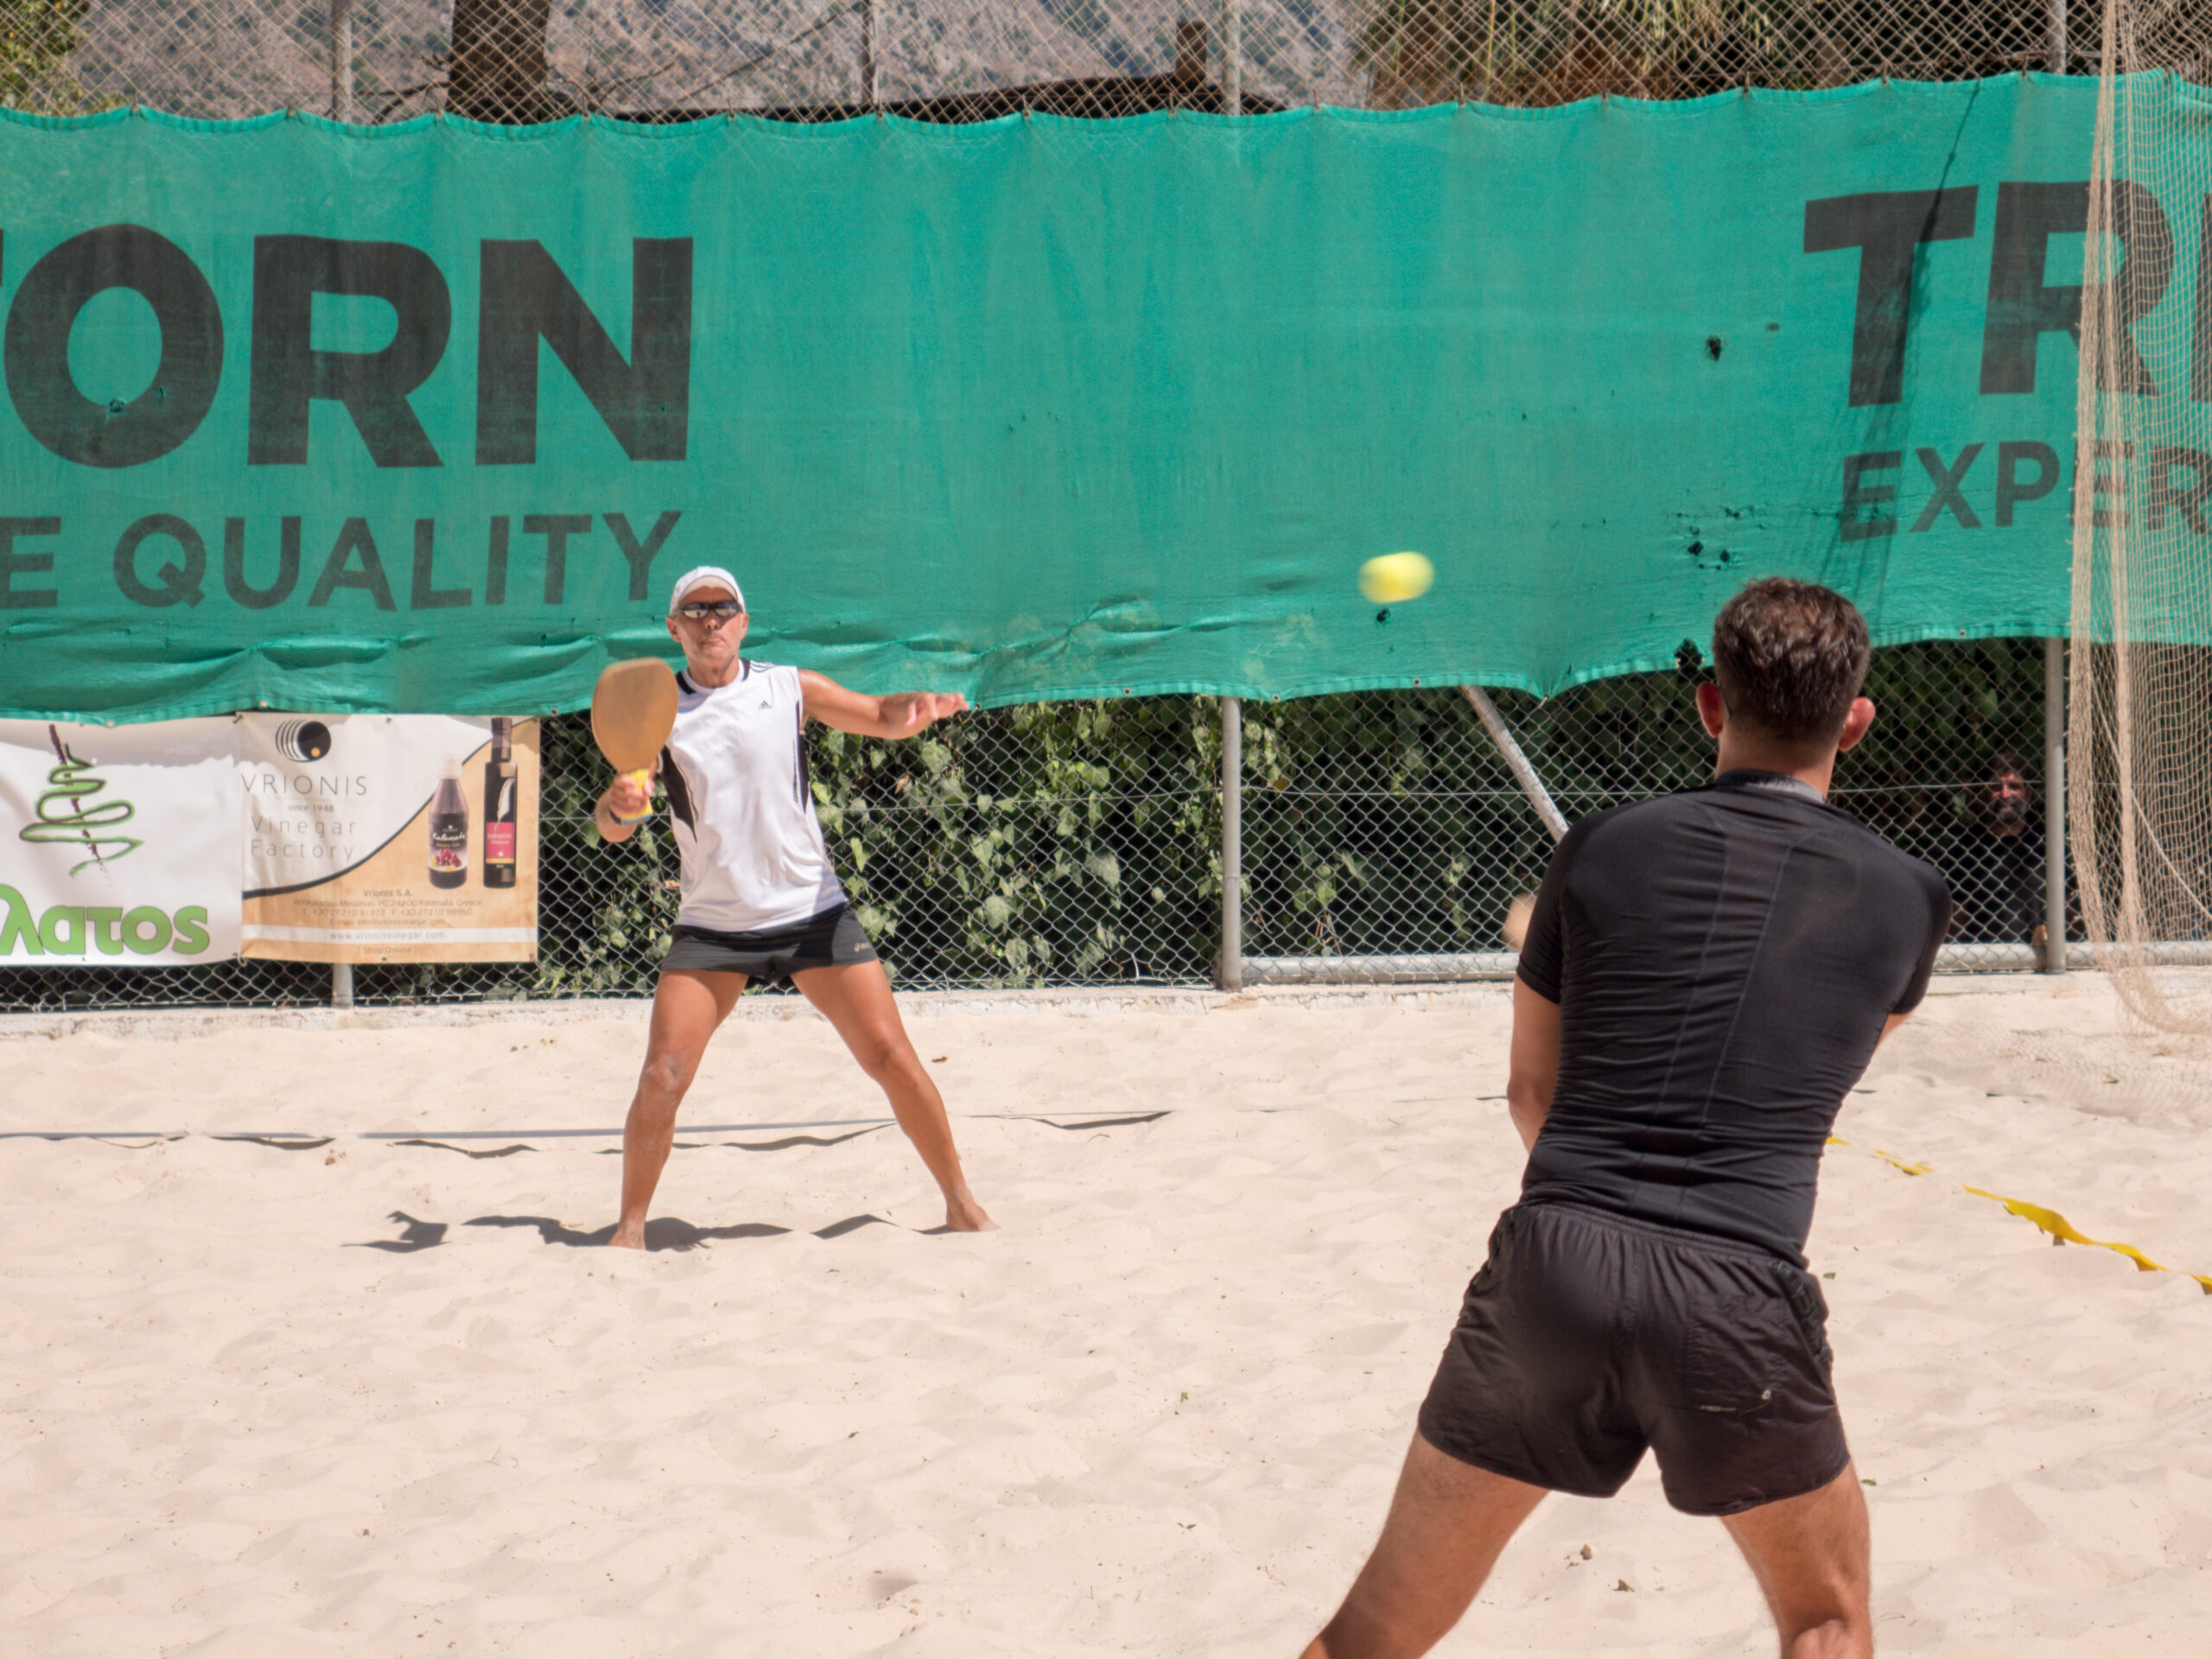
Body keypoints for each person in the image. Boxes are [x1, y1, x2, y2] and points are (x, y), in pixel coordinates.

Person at [1301, 579, 1950, 1659]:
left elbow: (1531, 1095)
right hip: (1735, 1288)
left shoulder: (1601, 847)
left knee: (1373, 1629)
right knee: (1826, 1620)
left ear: (1709, 706)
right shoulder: (1911, 897)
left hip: (1557, 1263)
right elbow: (1823, 1060)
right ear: (1855, 721)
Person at [595, 565, 995, 1246]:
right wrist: (621, 806)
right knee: (663, 1075)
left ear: (744, 622)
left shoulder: (787, 687)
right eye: (695, 610)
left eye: (724, 608)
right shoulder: (660, 710)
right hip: (715, 927)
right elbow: (614, 822)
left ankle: (962, 1205)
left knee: (892, 1056)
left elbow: (879, 714)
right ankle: (629, 1232)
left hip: (812, 914)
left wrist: (916, 708)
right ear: (674, 628)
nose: (711, 620)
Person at [1942, 752, 2048, 948]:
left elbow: (2068, 910)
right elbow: (1956, 919)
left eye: (2014, 787)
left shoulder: (2046, 843)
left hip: (2042, 956)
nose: (2005, 795)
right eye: (1996, 788)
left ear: (2028, 794)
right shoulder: (1966, 848)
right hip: (1985, 957)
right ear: (1984, 794)